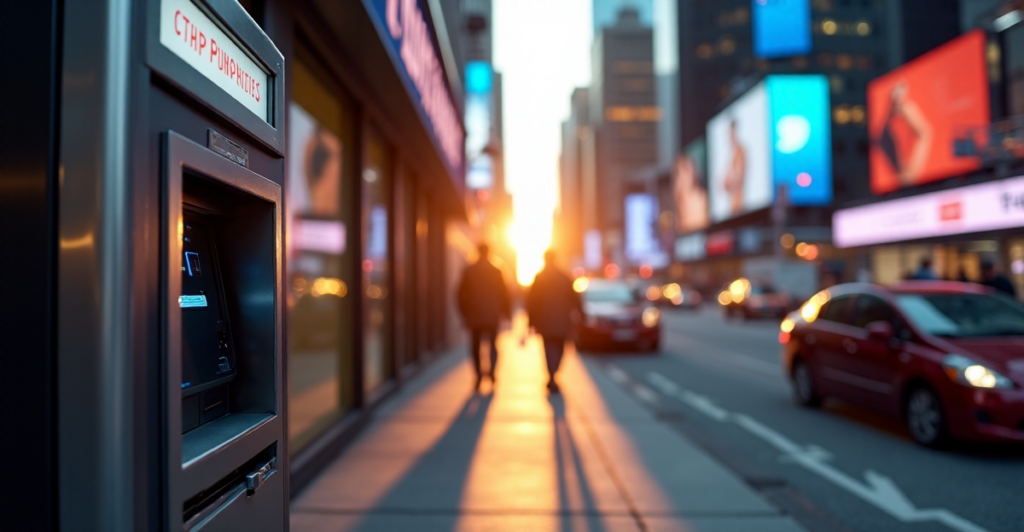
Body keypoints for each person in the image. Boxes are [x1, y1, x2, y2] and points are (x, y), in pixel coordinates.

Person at [526, 250, 582, 394]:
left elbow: (532, 301)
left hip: (545, 321)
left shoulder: (540, 277)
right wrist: (580, 313)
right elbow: (575, 298)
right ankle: (554, 373)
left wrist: (531, 321)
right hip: (562, 320)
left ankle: (552, 374)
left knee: (548, 349)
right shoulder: (564, 277)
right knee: (560, 348)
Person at [457, 244, 511, 389]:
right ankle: (492, 371)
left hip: (474, 316)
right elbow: (504, 294)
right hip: (492, 315)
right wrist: (506, 313)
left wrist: (465, 313)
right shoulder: (496, 271)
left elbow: (460, 295)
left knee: (475, 346)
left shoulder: (469, 271)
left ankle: (478, 375)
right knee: (493, 345)